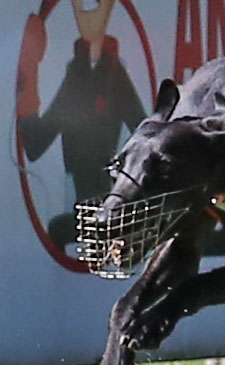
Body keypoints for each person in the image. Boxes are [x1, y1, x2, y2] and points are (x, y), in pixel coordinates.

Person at [16, 0, 145, 247]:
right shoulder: (78, 74)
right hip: (91, 199)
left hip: (107, 201)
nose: (88, 15)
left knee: (60, 229)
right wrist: (29, 72)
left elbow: (144, 133)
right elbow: (35, 144)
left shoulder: (111, 75)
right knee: (59, 230)